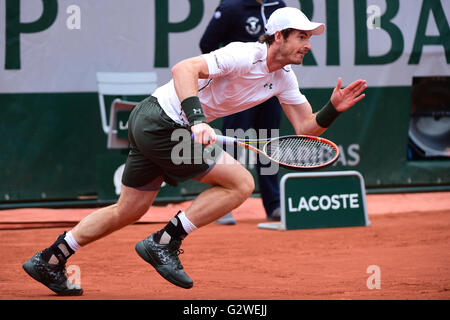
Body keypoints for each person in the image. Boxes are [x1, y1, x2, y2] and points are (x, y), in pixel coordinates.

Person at [22, 7, 367, 295]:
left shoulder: (284, 79)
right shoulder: (244, 54)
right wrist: (199, 120)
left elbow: (306, 128)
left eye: (309, 38)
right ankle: (164, 242)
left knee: (129, 209)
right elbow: (184, 69)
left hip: (152, 122)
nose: (307, 45)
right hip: (161, 121)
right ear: (279, 36)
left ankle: (51, 259)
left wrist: (333, 108)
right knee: (241, 184)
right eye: (302, 36)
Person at [200, 0, 287, 225]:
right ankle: (222, 205)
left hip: (269, 90)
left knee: (269, 144)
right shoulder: (231, 8)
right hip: (239, 91)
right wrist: (228, 74)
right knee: (233, 142)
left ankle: (274, 204)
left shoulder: (278, 5)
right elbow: (207, 43)